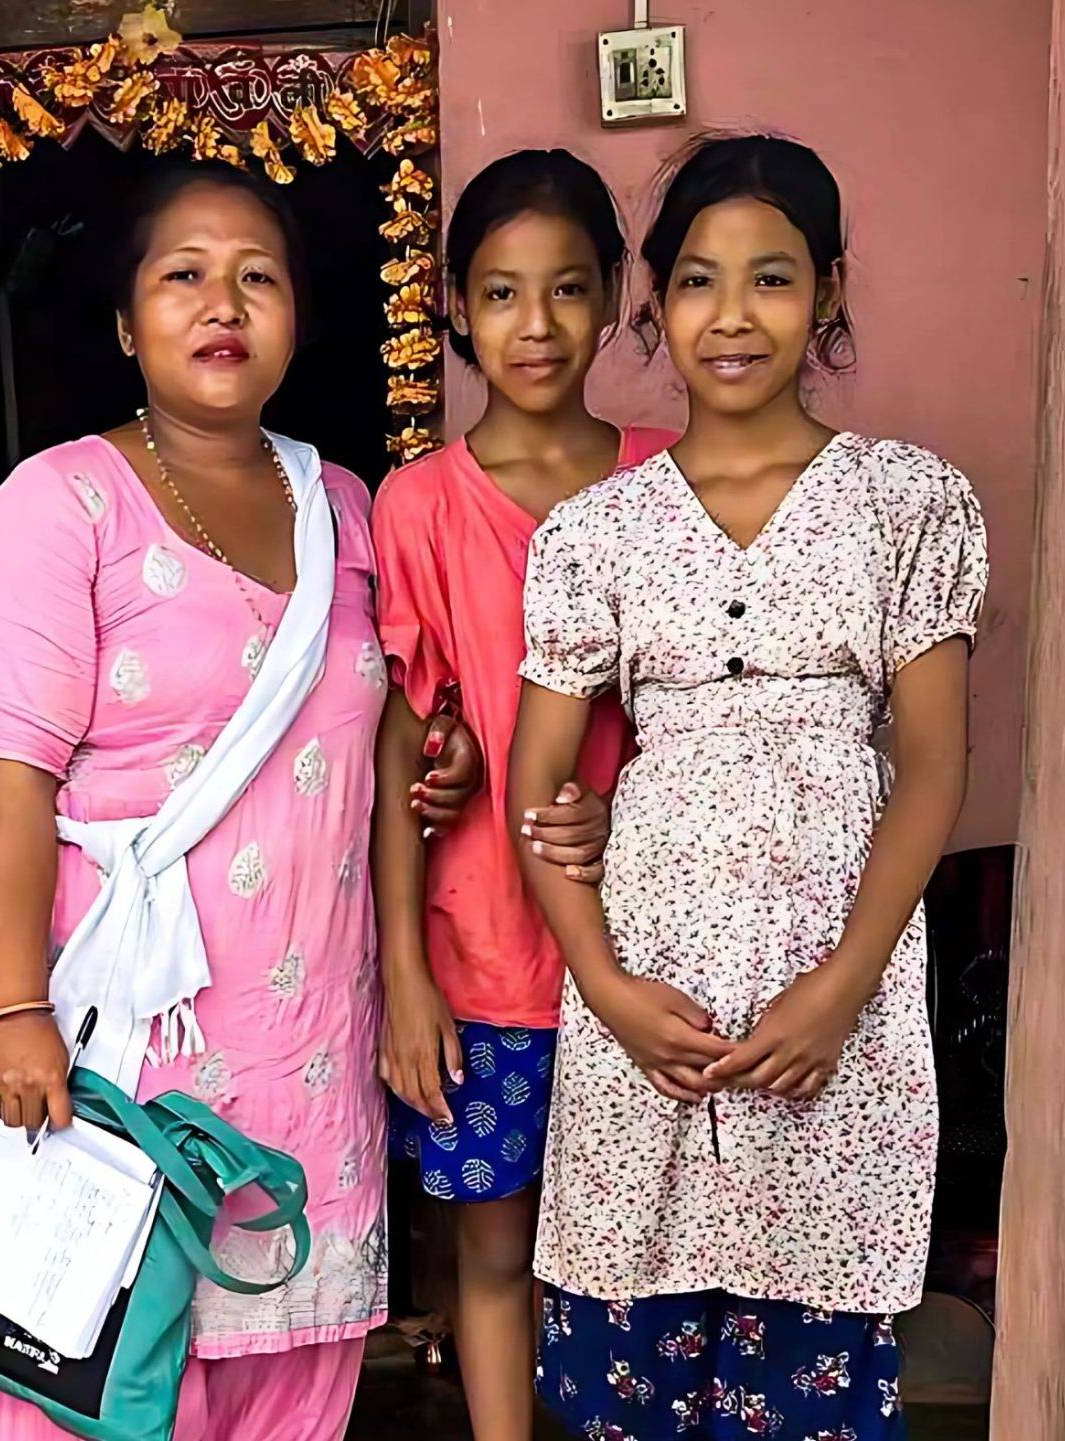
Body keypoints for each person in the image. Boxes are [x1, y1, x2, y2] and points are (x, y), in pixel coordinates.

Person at [0, 160, 482, 1441]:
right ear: (129, 322)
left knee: (291, 1387)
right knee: (108, 1380)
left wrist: (438, 767)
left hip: (310, 1045)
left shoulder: (343, 504)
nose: (221, 301)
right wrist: (14, 1007)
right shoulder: (56, 504)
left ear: (298, 315)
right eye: (182, 274)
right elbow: (11, 792)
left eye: (257, 274)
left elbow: (361, 741)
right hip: (126, 1054)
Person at [510, 133, 988, 1440]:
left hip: (832, 996)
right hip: (643, 1004)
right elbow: (535, 786)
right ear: (654, 302)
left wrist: (843, 987)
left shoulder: (906, 500)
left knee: (811, 1370)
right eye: (698, 281)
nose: (731, 316)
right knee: (633, 1379)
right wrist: (602, 986)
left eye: (771, 279)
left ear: (828, 290)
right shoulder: (594, 533)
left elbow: (934, 767)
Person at [371, 149, 675, 1441]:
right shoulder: (420, 507)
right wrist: (403, 972)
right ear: (453, 305)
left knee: (642, 1275)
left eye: (565, 289)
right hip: (484, 959)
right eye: (500, 293)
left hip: (660, 958)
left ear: (612, 299)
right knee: (491, 1261)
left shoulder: (675, 478)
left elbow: (721, 719)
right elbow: (404, 746)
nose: (534, 325)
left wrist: (637, 810)